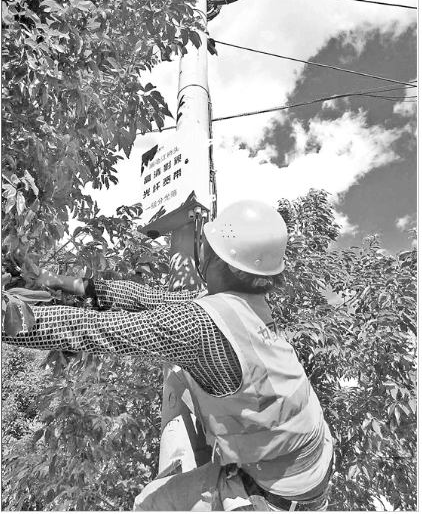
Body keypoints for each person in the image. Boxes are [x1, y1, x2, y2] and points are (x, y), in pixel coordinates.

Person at [2, 200, 334, 511]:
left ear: (216, 258)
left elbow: (93, 329)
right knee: (179, 376)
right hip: (312, 458)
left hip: (278, 490)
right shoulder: (243, 304)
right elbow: (147, 299)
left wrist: (8, 314)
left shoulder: (200, 326)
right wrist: (56, 281)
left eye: (206, 244)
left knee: (148, 504)